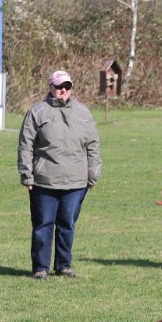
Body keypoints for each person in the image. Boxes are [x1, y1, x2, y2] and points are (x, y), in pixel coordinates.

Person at [18, 70, 102, 280]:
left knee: (67, 224)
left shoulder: (83, 113)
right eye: (59, 86)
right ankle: (41, 267)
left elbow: (93, 145)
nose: (63, 90)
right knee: (43, 225)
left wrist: (93, 173)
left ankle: (63, 265)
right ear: (50, 87)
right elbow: (26, 145)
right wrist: (27, 174)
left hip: (76, 182)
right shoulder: (37, 112)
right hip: (44, 181)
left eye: (67, 86)